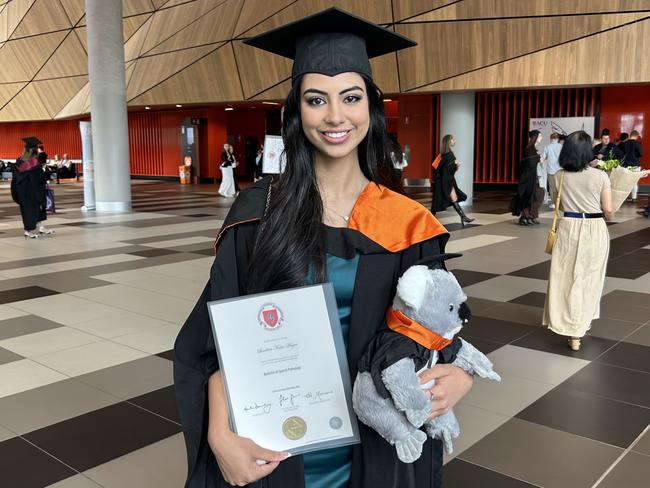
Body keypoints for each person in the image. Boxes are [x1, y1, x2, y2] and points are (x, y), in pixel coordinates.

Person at [173, 8, 473, 488]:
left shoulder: (408, 222)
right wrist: (219, 432)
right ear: (296, 112)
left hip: (378, 444)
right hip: (279, 445)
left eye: (350, 97)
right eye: (317, 100)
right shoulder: (257, 214)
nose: (335, 116)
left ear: (370, 108)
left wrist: (461, 376)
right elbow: (218, 339)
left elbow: (440, 322)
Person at [544, 131, 614, 352]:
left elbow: (560, 205)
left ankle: (568, 326)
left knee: (563, 277)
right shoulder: (600, 176)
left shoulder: (558, 176)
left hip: (568, 227)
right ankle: (580, 326)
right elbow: (609, 211)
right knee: (589, 277)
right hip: (594, 228)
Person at [10, 137, 54, 238]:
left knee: (32, 209)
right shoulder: (34, 162)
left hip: (22, 191)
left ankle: (40, 227)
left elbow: (17, 177)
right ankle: (28, 231)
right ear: (34, 150)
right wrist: (47, 172)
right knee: (32, 209)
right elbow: (39, 178)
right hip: (31, 191)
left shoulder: (19, 161)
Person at [430, 134, 474, 227]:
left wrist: (454, 165)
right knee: (438, 200)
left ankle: (463, 217)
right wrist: (456, 165)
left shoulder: (443, 154)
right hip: (446, 181)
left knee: (453, 198)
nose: (454, 141)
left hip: (445, 180)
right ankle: (430, 218)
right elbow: (448, 169)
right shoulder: (449, 154)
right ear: (449, 142)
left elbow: (441, 168)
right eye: (453, 140)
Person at [511, 130, 544, 225]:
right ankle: (526, 216)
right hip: (529, 177)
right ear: (535, 137)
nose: (541, 138)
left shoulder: (532, 148)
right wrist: (539, 159)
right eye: (540, 136)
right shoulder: (530, 148)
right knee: (531, 196)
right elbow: (530, 162)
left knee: (537, 195)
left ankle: (530, 215)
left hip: (533, 176)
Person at [543, 132, 563, 208]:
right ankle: (560, 203)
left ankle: (554, 203)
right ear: (558, 139)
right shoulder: (561, 147)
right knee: (560, 186)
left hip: (550, 170)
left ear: (551, 139)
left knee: (552, 187)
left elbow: (543, 157)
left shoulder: (547, 147)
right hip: (560, 170)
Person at [623, 130, 643, 201]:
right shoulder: (638, 144)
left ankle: (625, 197)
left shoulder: (625, 144)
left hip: (627, 165)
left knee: (626, 182)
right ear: (636, 136)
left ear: (630, 135)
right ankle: (634, 197)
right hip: (635, 165)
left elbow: (622, 154)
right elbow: (641, 154)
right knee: (634, 182)